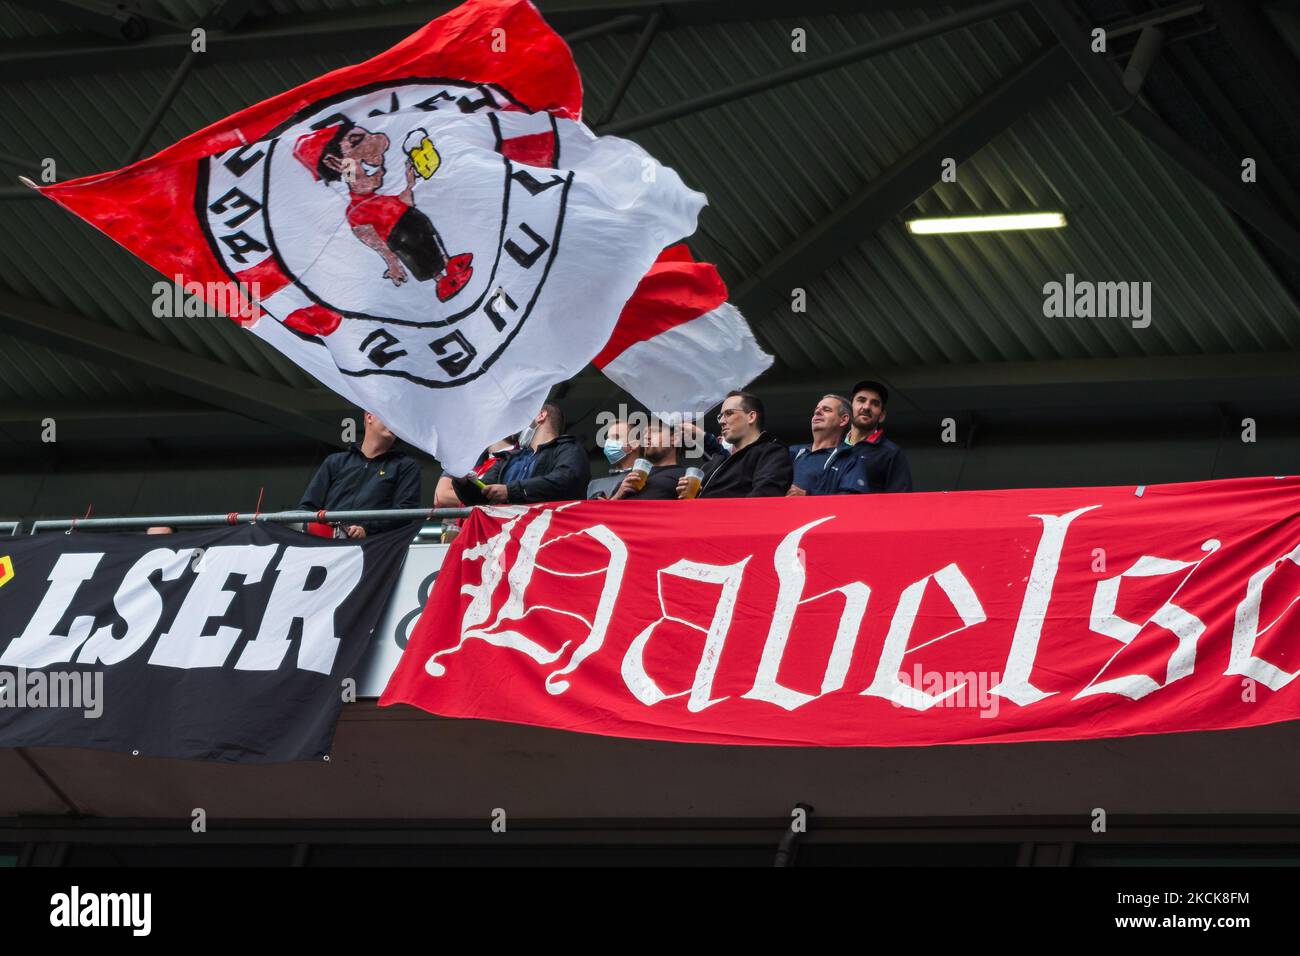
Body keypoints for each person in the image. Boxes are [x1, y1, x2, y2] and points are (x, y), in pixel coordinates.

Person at [299, 411, 422, 537]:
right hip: (327, 546)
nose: (395, 424)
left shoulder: (406, 466)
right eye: (390, 416)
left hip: (371, 548)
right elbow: (307, 508)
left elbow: (404, 514)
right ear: (369, 416)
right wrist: (323, 522)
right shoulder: (335, 461)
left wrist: (367, 529)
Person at [453, 403, 590, 505]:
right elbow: (479, 497)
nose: (517, 424)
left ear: (541, 415)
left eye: (524, 416)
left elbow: (566, 480)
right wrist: (462, 481)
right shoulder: (509, 458)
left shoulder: (570, 448)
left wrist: (511, 491)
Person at [680, 390, 791, 498]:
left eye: (729, 413)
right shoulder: (717, 460)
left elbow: (762, 499)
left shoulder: (772, 453)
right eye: (720, 416)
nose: (721, 421)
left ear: (751, 417)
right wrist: (692, 496)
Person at [787, 395, 866, 496]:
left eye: (826, 409)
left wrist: (808, 497)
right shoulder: (792, 453)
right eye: (816, 409)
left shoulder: (851, 459)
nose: (817, 412)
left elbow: (851, 501)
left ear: (843, 420)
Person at [846, 379, 913, 493]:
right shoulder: (833, 447)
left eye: (875, 403)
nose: (867, 407)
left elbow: (901, 501)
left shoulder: (891, 453)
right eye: (861, 400)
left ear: (882, 416)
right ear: (849, 408)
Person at [608, 417, 686, 500]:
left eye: (654, 431)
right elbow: (604, 511)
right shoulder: (630, 477)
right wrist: (618, 495)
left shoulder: (685, 478)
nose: (646, 436)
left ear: (675, 439)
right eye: (644, 433)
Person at [587, 419, 643, 499]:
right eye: (608, 439)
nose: (608, 443)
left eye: (616, 437)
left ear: (634, 444)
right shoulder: (594, 485)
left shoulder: (648, 478)